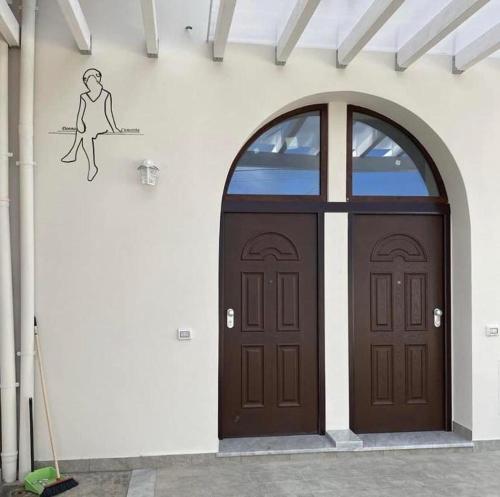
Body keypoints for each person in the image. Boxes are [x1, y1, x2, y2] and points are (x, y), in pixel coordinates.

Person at [61, 68, 121, 181]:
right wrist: (79, 123)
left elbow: (108, 113)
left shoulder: (105, 95)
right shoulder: (84, 96)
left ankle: (82, 158)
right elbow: (80, 113)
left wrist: (114, 128)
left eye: (91, 80)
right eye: (86, 81)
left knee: (86, 134)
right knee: (83, 130)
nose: (89, 83)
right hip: (88, 123)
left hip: (101, 124)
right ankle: (76, 155)